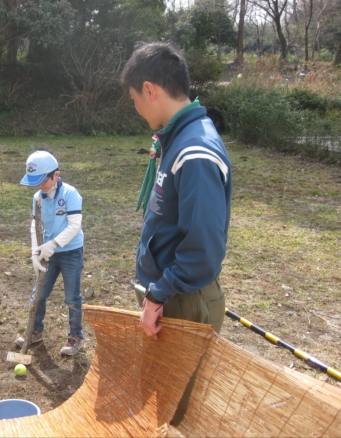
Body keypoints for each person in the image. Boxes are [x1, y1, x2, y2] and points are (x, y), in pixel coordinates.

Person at [121, 43, 232, 423]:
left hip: (182, 301)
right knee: (164, 399)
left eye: (135, 98)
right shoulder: (177, 138)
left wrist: (158, 295)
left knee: (178, 411)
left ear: (150, 90)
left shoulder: (196, 150)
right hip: (170, 295)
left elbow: (203, 251)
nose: (136, 108)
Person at [14, 150, 85, 356]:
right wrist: (35, 253)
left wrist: (52, 244)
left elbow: (73, 226)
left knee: (72, 297)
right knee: (39, 294)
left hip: (71, 253)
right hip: (48, 253)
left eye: (42, 181)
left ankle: (75, 336)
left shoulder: (71, 194)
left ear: (57, 174)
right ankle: (34, 331)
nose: (39, 186)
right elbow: (35, 226)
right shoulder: (38, 197)